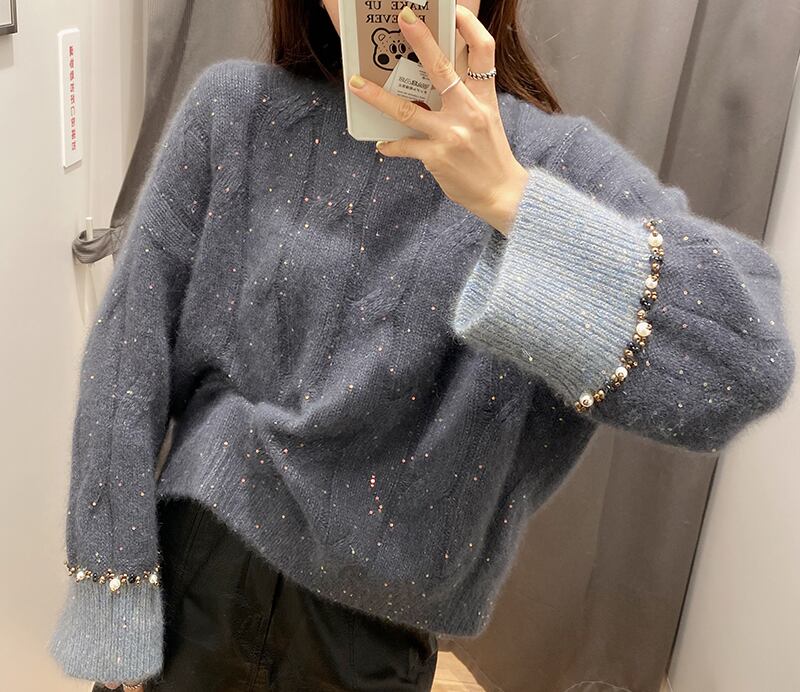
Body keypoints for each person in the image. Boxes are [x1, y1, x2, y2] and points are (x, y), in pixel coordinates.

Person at [49, 1, 796, 690]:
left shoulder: (548, 161)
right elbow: (127, 355)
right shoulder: (234, 111)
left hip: (370, 631)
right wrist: (112, 591)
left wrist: (511, 198)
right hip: (199, 566)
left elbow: (745, 363)